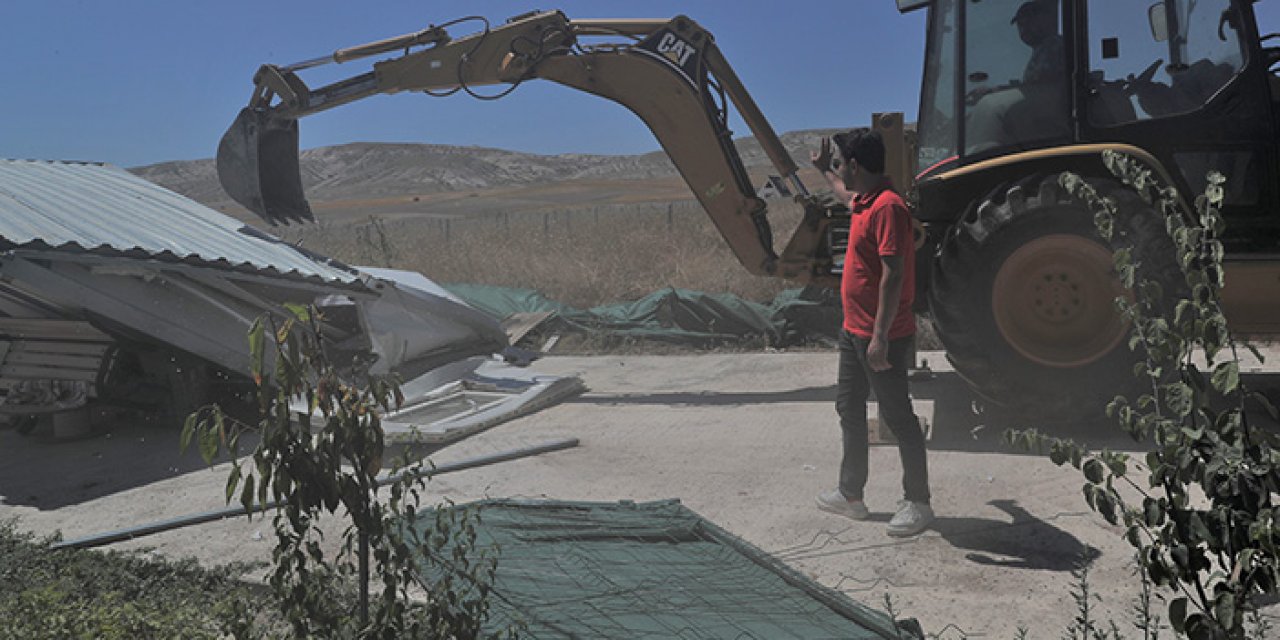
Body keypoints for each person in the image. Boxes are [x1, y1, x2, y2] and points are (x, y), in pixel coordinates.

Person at [810, 129, 933, 538]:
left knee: (898, 417)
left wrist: (879, 337)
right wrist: (823, 170)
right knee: (849, 408)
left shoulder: (889, 208)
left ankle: (918, 502)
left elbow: (894, 273)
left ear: (857, 165)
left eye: (842, 162)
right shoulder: (864, 201)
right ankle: (851, 496)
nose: (841, 169)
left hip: (881, 335)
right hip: (853, 330)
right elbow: (844, 194)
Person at [966, 0, 1068, 152]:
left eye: (1027, 23)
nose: (1023, 30)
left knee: (991, 108)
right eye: (1020, 26)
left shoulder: (1052, 46)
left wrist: (992, 92)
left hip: (1052, 128)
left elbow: (1036, 88)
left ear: (1044, 20)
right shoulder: (1044, 49)